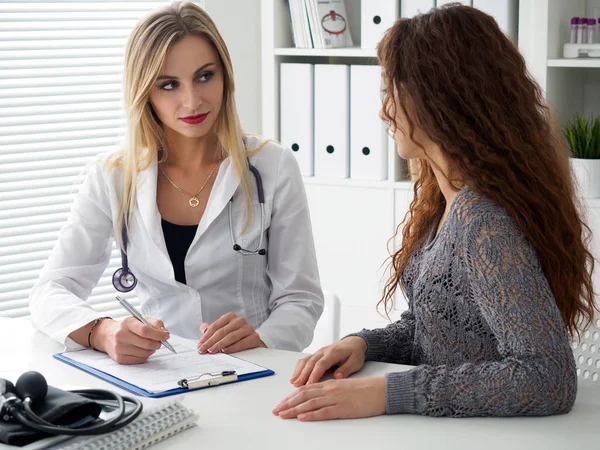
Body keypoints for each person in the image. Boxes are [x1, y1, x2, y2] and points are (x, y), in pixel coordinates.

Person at [273, 4, 597, 420]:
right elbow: (440, 325)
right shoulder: (446, 200)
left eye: (392, 92)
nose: (382, 111)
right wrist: (365, 345)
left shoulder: (484, 222)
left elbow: (546, 378)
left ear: (439, 98)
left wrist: (388, 393)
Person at [29, 1, 323, 364]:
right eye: (169, 85)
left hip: (254, 369)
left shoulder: (272, 166)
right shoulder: (113, 177)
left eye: (205, 76)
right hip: (159, 370)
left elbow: (301, 299)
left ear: (225, 75)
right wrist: (101, 332)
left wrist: (263, 339)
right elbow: (50, 290)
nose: (192, 100)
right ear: (145, 93)